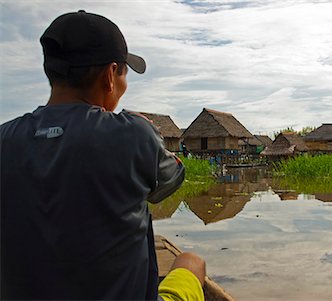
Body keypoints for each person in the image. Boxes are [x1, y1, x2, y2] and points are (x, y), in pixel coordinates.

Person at [0, 10, 205, 301]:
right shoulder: (132, 134)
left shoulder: (5, 138)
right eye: (123, 74)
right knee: (192, 262)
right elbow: (169, 182)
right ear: (110, 76)